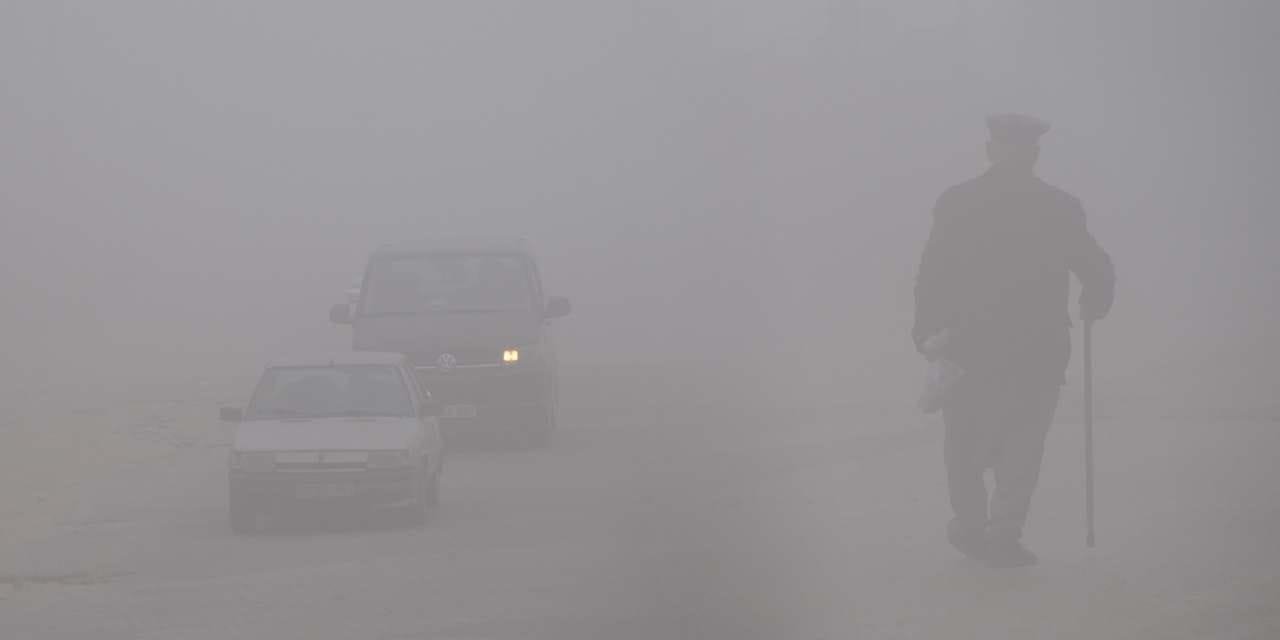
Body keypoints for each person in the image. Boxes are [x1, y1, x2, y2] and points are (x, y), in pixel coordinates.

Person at [912, 113, 1116, 568]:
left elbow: (933, 271)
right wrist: (1096, 298)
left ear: (990, 149)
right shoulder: (1060, 206)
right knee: (1023, 444)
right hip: (1038, 349)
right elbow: (1096, 266)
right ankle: (1003, 533)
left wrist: (925, 329)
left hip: (971, 345)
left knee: (964, 441)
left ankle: (970, 525)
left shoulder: (958, 201)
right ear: (1034, 152)